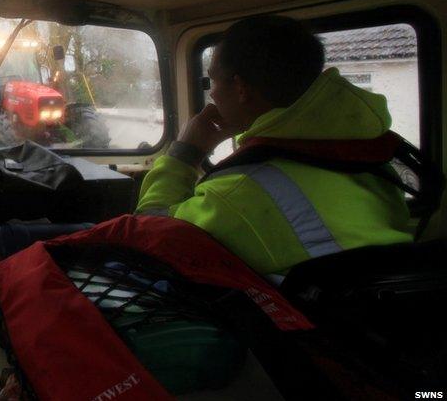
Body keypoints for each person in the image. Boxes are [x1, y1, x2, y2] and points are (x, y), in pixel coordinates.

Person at [137, 15, 412, 278]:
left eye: (214, 81)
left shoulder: (240, 191)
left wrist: (186, 153)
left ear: (241, 88)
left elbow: (150, 233)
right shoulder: (372, 160)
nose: (213, 94)